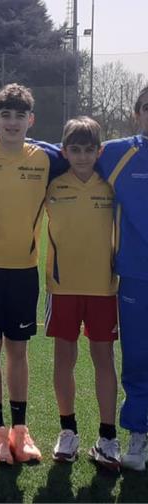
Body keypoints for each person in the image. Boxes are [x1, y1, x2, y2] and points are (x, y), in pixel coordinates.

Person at [0, 83, 66, 465]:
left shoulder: (46, 158)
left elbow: (89, 152)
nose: (12, 122)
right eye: (5, 115)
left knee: (18, 350)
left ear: (31, 120)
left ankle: (20, 432)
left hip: (23, 271)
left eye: (19, 116)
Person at [45, 117, 120, 470]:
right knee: (64, 358)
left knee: (104, 359)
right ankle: (68, 431)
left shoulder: (111, 184)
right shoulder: (52, 184)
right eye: (75, 149)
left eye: (89, 150)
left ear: (99, 151)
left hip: (104, 288)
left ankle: (108, 437)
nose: (82, 156)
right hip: (63, 287)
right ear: (64, 151)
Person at [95, 86, 148, 471]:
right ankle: (138, 433)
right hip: (136, 275)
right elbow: (59, 151)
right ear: (137, 113)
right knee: (138, 357)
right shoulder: (117, 153)